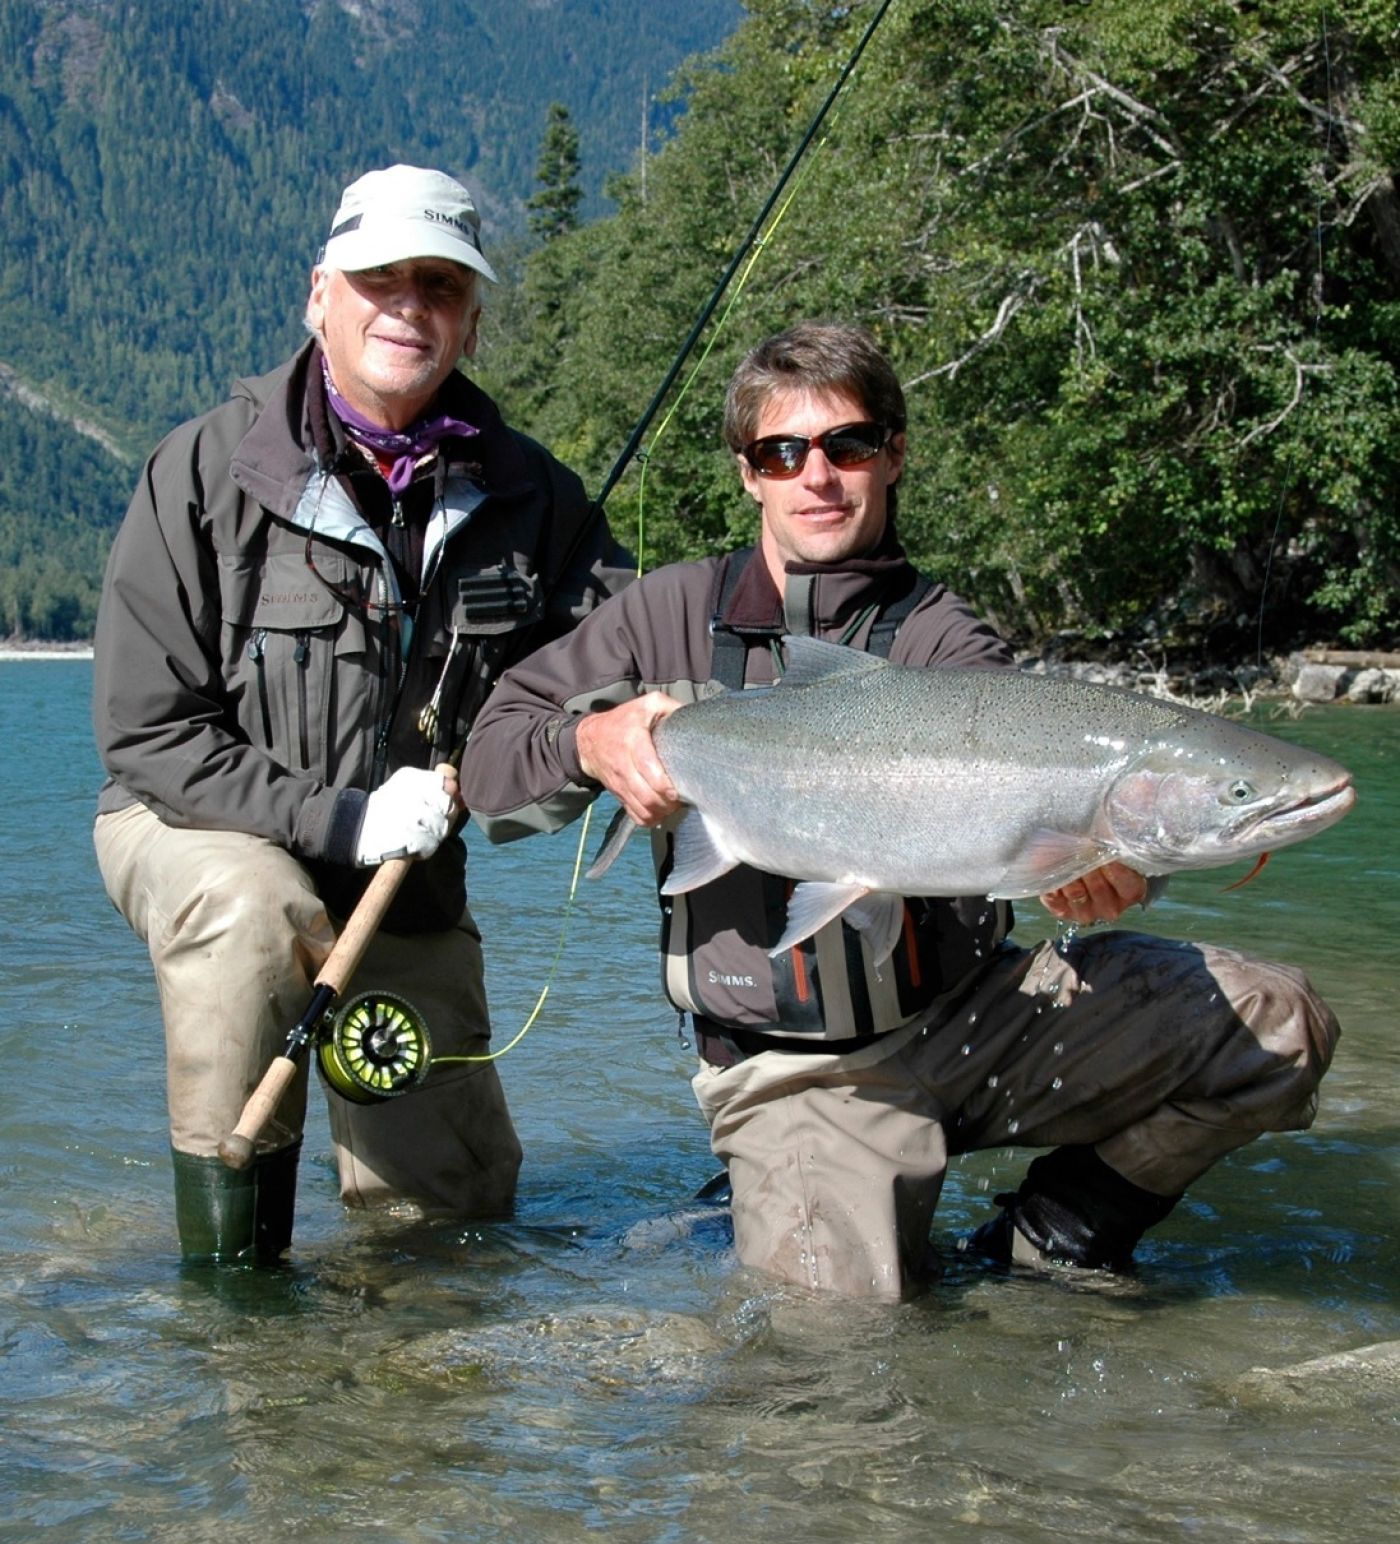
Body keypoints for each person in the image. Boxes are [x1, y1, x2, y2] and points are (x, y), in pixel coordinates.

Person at [458, 320, 1340, 1299]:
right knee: (844, 1354)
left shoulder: (945, 637)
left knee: (1275, 1027)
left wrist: (1100, 876)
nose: (816, 474)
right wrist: (592, 743)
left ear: (893, 454)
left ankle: (1055, 1233)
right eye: (781, 451)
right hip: (796, 1070)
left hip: (974, 1021)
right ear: (748, 473)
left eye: (847, 444)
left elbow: (1056, 848)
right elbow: (490, 768)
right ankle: (770, 1184)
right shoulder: (663, 614)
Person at [92, 163, 632, 1266]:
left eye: (438, 285)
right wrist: (341, 820)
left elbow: (608, 679)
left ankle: (397, 1381)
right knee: (255, 913)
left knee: (450, 1227)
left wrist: (585, 749)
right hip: (194, 830)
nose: (407, 306)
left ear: (471, 321)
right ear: (318, 295)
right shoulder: (202, 471)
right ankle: (237, 1288)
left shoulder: (535, 499)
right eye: (378, 278)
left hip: (406, 883)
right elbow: (148, 733)